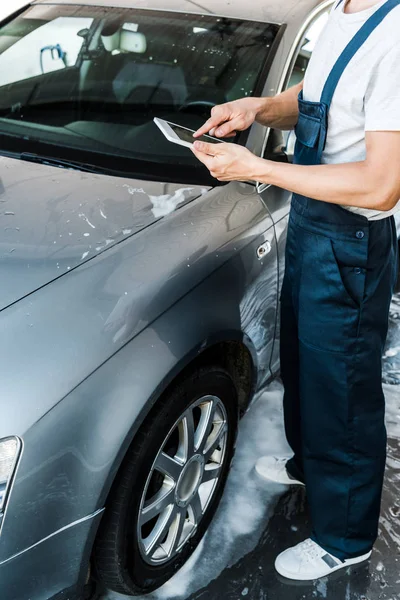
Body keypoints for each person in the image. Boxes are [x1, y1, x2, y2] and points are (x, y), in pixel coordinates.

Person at [192, 0, 400, 582]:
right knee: (307, 366)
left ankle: (345, 534)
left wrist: (256, 168)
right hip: (313, 220)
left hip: (352, 234)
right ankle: (314, 466)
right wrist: (256, 108)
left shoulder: (397, 37)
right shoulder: (342, 12)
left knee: (342, 388)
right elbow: (320, 92)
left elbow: (382, 185)